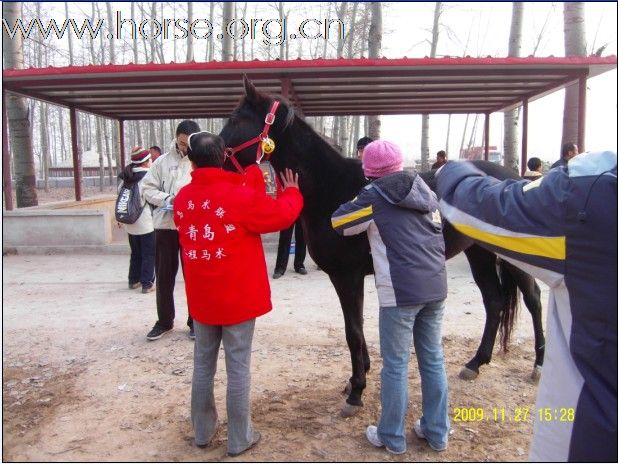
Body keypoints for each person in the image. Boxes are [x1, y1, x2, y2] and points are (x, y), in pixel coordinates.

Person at [435, 151, 617, 462]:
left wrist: (448, 170)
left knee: (527, 292)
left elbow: (481, 206)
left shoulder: (594, 188)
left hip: (589, 435)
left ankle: (539, 353)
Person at [172, 131, 303, 457]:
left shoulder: (184, 198)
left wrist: (254, 175)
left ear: (191, 159)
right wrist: (293, 194)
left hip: (203, 299)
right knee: (238, 367)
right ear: (223, 157)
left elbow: (238, 198)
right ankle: (239, 438)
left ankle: (202, 432)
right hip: (238, 299)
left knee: (203, 364)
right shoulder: (239, 197)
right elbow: (279, 215)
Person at [331, 140, 449, 454]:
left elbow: (340, 223)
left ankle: (392, 436)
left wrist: (360, 196)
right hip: (436, 286)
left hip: (400, 292)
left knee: (395, 366)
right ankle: (437, 432)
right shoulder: (424, 188)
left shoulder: (374, 195)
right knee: (433, 360)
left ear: (369, 171)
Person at [142, 120, 200, 341]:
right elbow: (147, 188)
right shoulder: (162, 163)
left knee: (193, 277)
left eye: (189, 144)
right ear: (176, 138)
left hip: (191, 228)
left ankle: (195, 320)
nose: (185, 148)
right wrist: (168, 199)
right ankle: (164, 321)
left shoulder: (199, 162)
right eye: (182, 143)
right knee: (165, 276)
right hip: (165, 226)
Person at [118, 147, 155, 294]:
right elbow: (151, 197)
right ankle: (147, 283)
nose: (151, 162)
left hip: (130, 221)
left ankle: (133, 280)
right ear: (145, 163)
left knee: (135, 252)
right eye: (150, 160)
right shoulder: (147, 177)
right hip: (146, 222)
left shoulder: (126, 176)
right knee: (149, 253)